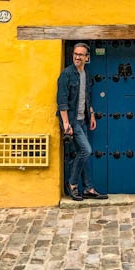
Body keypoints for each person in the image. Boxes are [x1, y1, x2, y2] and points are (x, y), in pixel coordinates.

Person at [56, 42, 108, 201]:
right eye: (75, 54)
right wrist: (66, 124)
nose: (77, 57)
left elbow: (87, 97)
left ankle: (88, 188)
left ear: (87, 57)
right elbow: (62, 100)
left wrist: (91, 115)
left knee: (83, 154)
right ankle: (72, 184)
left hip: (82, 119)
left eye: (81, 55)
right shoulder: (66, 74)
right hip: (71, 121)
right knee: (86, 151)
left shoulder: (86, 73)